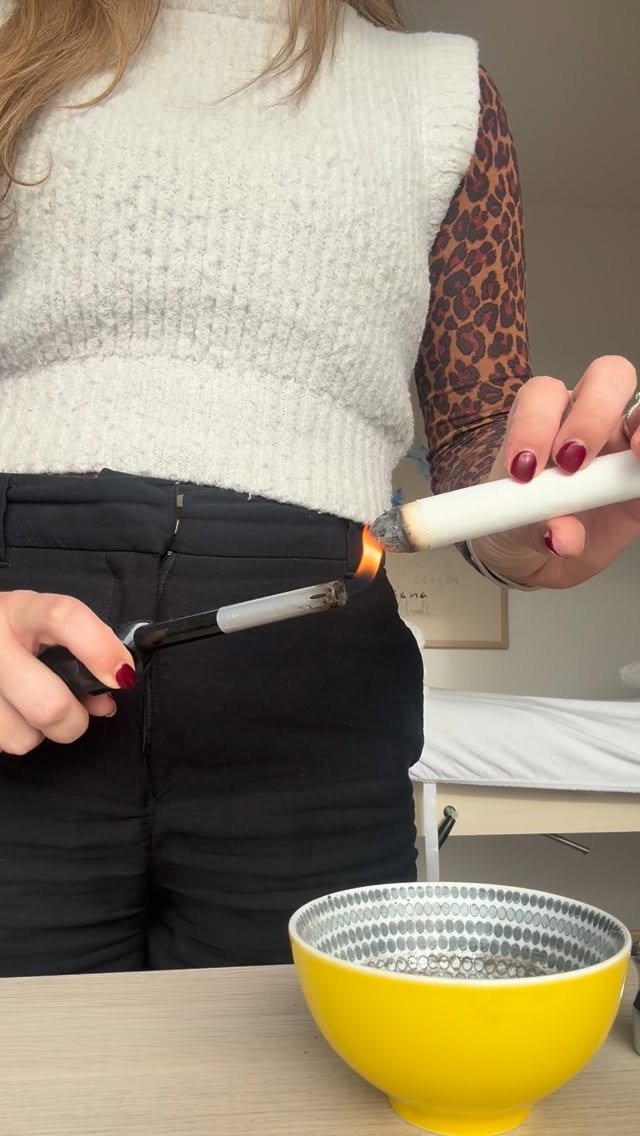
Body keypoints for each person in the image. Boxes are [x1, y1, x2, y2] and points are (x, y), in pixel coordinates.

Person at [0, 0, 636, 978]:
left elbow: (476, 435)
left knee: (295, 1063)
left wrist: (532, 517)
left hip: (321, 709)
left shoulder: (444, 92)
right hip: (18, 670)